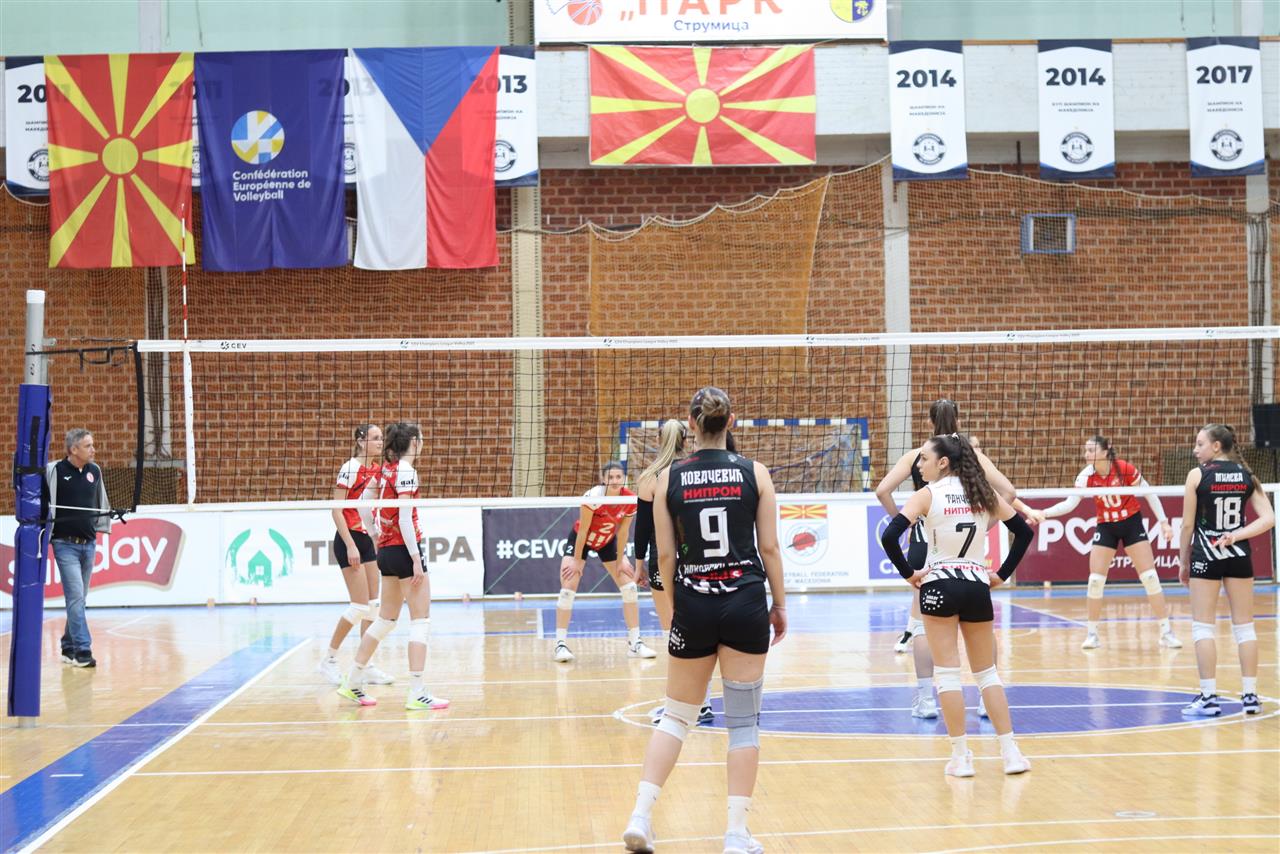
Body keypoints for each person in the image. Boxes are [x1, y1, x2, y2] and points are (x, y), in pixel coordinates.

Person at [622, 387, 786, 854]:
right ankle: (735, 834)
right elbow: (769, 547)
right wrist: (780, 604)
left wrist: (679, 611)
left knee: (676, 717)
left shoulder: (668, 478)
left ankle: (640, 817)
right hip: (745, 602)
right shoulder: (755, 472)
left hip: (694, 603)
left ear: (691, 424)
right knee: (743, 725)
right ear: (731, 421)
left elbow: (666, 557)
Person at [880, 434, 1034, 778]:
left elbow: (889, 536)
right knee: (987, 674)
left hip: (938, 585)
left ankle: (961, 758)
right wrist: (1001, 574)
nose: (919, 465)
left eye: (923, 459)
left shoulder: (926, 495)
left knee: (948, 674)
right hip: (976, 585)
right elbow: (1024, 533)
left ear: (943, 462)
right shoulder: (983, 493)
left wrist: (909, 574)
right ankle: (1011, 754)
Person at [337, 422, 448, 711]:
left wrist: (376, 535)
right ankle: (417, 692)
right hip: (403, 550)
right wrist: (415, 558)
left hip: (386, 551)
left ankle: (352, 681)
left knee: (386, 619)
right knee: (420, 621)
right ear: (414, 442)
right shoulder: (406, 471)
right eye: (421, 439)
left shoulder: (385, 470)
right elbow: (404, 518)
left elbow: (363, 503)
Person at [1039, 435, 1181, 651]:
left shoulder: (1124, 469)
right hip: (1106, 526)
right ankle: (1092, 634)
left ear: (1105, 452)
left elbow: (1149, 493)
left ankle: (1166, 632)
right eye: (1085, 450)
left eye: (1091, 450)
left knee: (1151, 578)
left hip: (1131, 523)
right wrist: (1044, 513)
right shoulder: (1086, 476)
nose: (1086, 454)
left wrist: (1164, 522)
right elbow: (1070, 504)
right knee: (1095, 581)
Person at [1178, 424, 1274, 716]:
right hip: (1238, 554)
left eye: (1200, 444)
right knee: (1244, 627)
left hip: (1206, 554)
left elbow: (1187, 525)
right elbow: (1269, 518)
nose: (1195, 450)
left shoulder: (1197, 475)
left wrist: (1183, 562)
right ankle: (1250, 696)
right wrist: (1236, 536)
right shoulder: (1247, 475)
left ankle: (1208, 698)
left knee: (1203, 626)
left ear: (1216, 446)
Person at [635, 420, 713, 725]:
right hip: (698, 559)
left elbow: (642, 530)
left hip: (663, 560)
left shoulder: (650, 478)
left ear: (658, 439)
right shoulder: (696, 472)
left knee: (675, 635)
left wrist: (638, 564)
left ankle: (680, 707)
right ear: (686, 438)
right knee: (699, 631)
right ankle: (704, 702)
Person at [554, 461, 657, 663]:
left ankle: (635, 643)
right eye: (611, 477)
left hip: (607, 541)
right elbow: (583, 530)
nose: (615, 481)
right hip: (582, 540)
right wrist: (577, 561)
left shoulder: (630, 499)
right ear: (603, 479)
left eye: (619, 477)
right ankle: (560, 645)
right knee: (567, 590)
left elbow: (624, 532)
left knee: (630, 588)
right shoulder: (594, 497)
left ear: (624, 478)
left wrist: (620, 560)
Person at [318, 424, 394, 687]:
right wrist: (350, 545)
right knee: (359, 606)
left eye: (381, 438)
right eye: (375, 438)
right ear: (361, 442)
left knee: (373, 606)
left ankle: (366, 665)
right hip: (349, 538)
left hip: (366, 539)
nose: (380, 442)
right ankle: (328, 660)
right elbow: (336, 510)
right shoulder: (350, 468)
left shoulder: (376, 469)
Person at [45, 429, 111, 668]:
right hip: (65, 545)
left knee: (79, 599)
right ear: (73, 449)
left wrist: (104, 523)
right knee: (75, 597)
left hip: (89, 544)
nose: (93, 450)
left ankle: (67, 646)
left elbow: (100, 501)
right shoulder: (54, 471)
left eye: (92, 445)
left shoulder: (95, 471)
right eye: (88, 446)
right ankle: (83, 650)